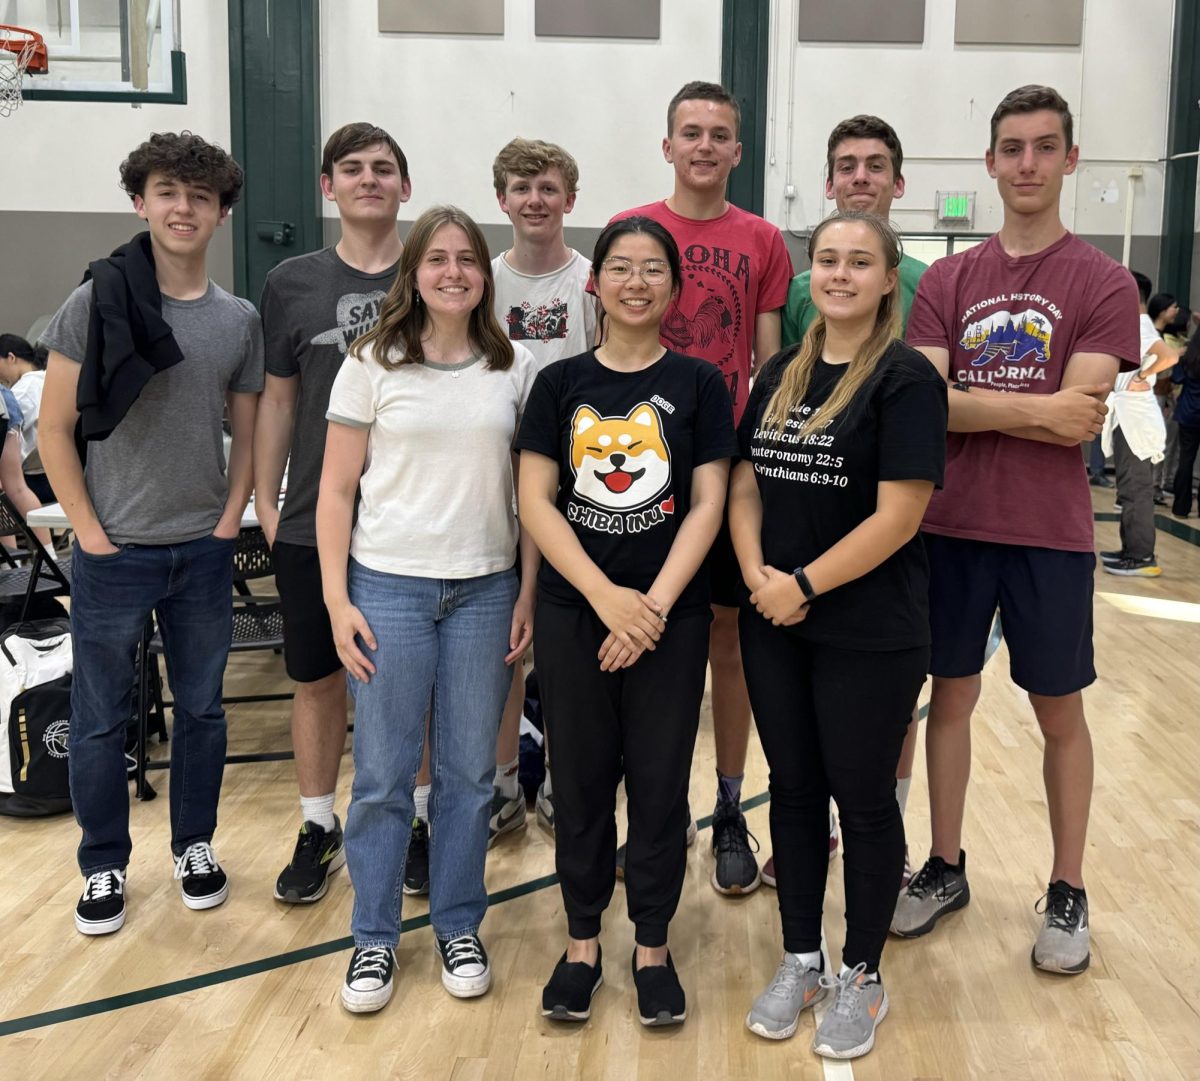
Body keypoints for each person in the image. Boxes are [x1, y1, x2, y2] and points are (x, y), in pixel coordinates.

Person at [891, 85, 1140, 976]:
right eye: (1012, 148)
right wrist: (1035, 404)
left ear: (1071, 159)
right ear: (990, 162)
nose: (1027, 164)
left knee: (1058, 711)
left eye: (1044, 147)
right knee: (947, 698)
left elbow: (1083, 420)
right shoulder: (947, 279)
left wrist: (975, 404)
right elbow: (929, 408)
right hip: (951, 525)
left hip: (1051, 532)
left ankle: (1067, 885)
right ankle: (947, 863)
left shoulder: (1105, 281)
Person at [731, 210, 946, 1060]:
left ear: (889, 277)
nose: (841, 274)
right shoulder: (781, 368)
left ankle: (862, 971)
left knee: (861, 801)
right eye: (827, 260)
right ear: (808, 274)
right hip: (774, 615)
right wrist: (756, 576)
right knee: (790, 788)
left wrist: (806, 585)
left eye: (861, 262)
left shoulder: (905, 379)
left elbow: (900, 516)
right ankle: (801, 958)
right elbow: (747, 480)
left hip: (869, 628)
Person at [38, 132, 263, 935]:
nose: (183, 207)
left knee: (202, 710)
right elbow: (53, 430)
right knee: (98, 715)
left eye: (200, 196)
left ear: (221, 213)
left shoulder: (236, 319)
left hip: (201, 549)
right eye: (167, 191)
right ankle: (103, 864)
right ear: (141, 200)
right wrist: (90, 533)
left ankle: (194, 845)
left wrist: (231, 515)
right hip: (114, 553)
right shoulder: (94, 303)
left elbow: (250, 429)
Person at [317, 205, 538, 1014]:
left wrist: (529, 591)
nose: (453, 271)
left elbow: (530, 494)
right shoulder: (370, 362)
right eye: (437, 258)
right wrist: (338, 599)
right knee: (379, 778)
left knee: (469, 777)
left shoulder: (510, 366)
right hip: (389, 589)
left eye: (467, 259)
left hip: (484, 589)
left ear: (485, 274)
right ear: (413, 272)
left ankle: (457, 921)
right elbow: (335, 490)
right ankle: (373, 936)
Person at [517, 216, 735, 1026]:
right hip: (578, 612)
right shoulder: (559, 383)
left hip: (667, 617)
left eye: (653, 269)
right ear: (595, 283)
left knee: (657, 778)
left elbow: (708, 501)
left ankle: (651, 941)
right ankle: (581, 941)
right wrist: (606, 597)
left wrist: (652, 606)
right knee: (577, 781)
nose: (636, 281)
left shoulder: (701, 385)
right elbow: (535, 501)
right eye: (620, 267)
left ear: (674, 288)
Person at [609, 80, 793, 895]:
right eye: (692, 132)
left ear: (738, 150)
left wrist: (742, 457)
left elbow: (768, 362)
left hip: (721, 459)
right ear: (668, 144)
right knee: (648, 635)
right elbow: (602, 350)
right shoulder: (632, 230)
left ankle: (726, 805)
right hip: (635, 465)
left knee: (725, 637)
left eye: (721, 134)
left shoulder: (763, 239)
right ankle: (658, 806)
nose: (706, 146)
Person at [254, 122, 412, 905]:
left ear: (404, 187)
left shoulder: (435, 273)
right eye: (352, 169)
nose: (368, 179)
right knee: (316, 677)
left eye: (384, 169)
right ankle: (319, 824)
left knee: (408, 683)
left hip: (410, 521)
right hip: (315, 513)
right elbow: (278, 401)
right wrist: (263, 493)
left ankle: (413, 819)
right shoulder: (290, 281)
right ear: (329, 187)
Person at [770, 114, 928, 889]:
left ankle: (877, 835)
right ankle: (818, 850)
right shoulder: (801, 300)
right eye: (846, 165)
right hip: (798, 548)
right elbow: (790, 404)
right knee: (798, 773)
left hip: (884, 540)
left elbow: (917, 401)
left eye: (876, 164)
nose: (860, 176)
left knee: (871, 748)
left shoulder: (925, 290)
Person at [488, 136, 599, 843]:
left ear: (569, 199)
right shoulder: (481, 279)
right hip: (492, 484)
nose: (535, 199)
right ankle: (501, 785)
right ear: (502, 198)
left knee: (564, 653)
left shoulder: (593, 282)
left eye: (548, 187)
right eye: (521, 187)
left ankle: (561, 780)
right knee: (504, 648)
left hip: (579, 491)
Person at [1098, 273, 1179, 576]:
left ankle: (1141, 555)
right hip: (1130, 418)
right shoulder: (1136, 326)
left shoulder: (1142, 327)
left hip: (1135, 419)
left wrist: (1143, 377)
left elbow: (1168, 356)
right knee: (1130, 488)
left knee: (1136, 489)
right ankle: (1131, 548)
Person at [0, 334, 52, 503]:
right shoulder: (48, 379)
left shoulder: (22, 391)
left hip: (36, 480)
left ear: (11, 357)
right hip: (56, 474)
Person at [1170, 326, 1200, 518]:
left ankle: (1181, 507)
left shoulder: (1189, 355)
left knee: (1185, 460)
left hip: (1188, 412)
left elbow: (1177, 378)